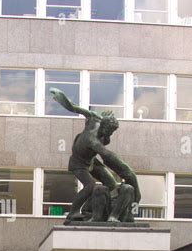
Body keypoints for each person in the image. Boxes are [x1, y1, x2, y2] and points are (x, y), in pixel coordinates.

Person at [49, 88, 141, 224]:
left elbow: (77, 109)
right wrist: (129, 174)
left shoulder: (96, 118)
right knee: (90, 185)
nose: (109, 135)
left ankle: (101, 210)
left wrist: (66, 102)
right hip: (79, 163)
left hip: (91, 161)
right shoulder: (92, 139)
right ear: (103, 127)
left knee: (110, 182)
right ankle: (74, 212)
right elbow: (108, 156)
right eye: (108, 131)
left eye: (112, 132)